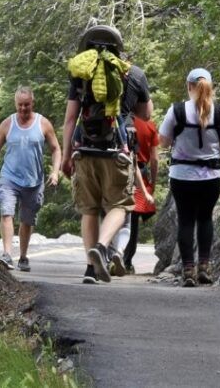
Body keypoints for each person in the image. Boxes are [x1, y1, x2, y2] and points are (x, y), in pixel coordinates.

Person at [62, 25, 151, 284]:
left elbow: (70, 119)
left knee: (89, 210)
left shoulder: (80, 73)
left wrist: (66, 156)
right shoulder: (133, 73)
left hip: (84, 149)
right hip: (118, 152)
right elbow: (146, 114)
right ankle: (102, 246)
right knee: (120, 206)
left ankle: (91, 270)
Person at [159, 68, 220, 287]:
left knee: (185, 220)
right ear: (210, 87)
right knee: (205, 218)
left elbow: (163, 141)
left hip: (182, 175)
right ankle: (205, 266)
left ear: (188, 86)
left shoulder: (176, 111)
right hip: (211, 176)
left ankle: (188, 270)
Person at [0, 86, 62, 272]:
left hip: (34, 181)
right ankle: (7, 255)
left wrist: (55, 172)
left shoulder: (43, 124)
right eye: (20, 105)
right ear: (15, 104)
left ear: (32, 103)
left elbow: (56, 149)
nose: (23, 109)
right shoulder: (7, 124)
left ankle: (23, 257)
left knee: (27, 220)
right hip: (9, 177)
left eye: (26, 105)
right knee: (6, 212)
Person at [108, 110, 159, 276]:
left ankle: (111, 257)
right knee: (132, 219)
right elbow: (155, 159)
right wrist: (153, 183)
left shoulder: (120, 121)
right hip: (139, 171)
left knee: (114, 213)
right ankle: (127, 261)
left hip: (115, 168)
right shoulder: (150, 126)